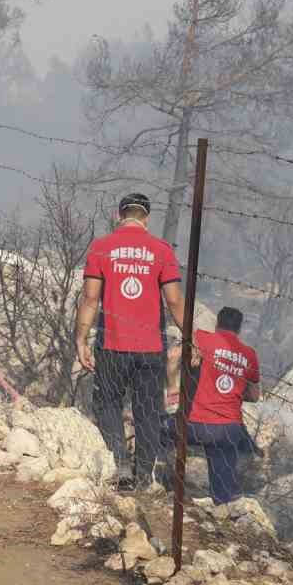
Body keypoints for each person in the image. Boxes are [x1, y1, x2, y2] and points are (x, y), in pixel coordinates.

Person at [74, 191, 187, 492]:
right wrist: (192, 336)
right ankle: (144, 476)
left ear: (119, 215)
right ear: (146, 218)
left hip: (112, 344)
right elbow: (174, 300)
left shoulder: (102, 247)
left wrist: (81, 339)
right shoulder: (162, 250)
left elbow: (90, 297)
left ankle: (120, 464)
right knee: (147, 410)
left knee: (108, 403)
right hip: (151, 348)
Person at [186, 307, 261, 504]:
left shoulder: (202, 338)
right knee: (223, 489)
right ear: (239, 329)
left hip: (195, 426)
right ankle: (223, 505)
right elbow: (254, 396)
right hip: (229, 429)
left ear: (217, 323)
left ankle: (148, 476)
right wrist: (234, 390)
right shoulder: (250, 354)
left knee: (158, 428)